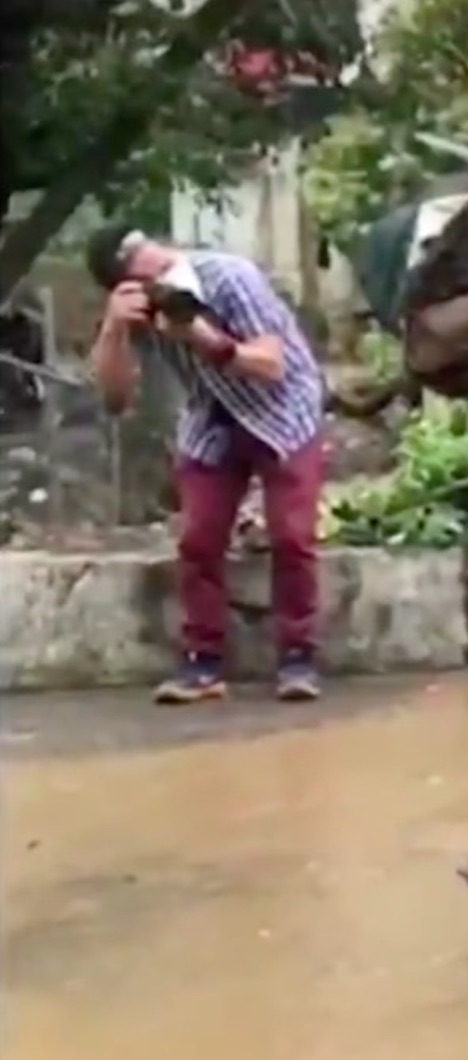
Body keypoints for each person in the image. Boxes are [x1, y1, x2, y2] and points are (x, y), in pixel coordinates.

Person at [85, 225, 328, 704]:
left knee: (292, 536)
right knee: (198, 539)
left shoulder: (229, 277)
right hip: (211, 414)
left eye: (152, 253)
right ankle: (203, 663)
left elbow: (271, 366)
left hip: (283, 410)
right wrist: (113, 328)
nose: (154, 265)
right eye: (137, 266)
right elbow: (115, 399)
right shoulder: (137, 313)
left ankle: (298, 658)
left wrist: (201, 336)